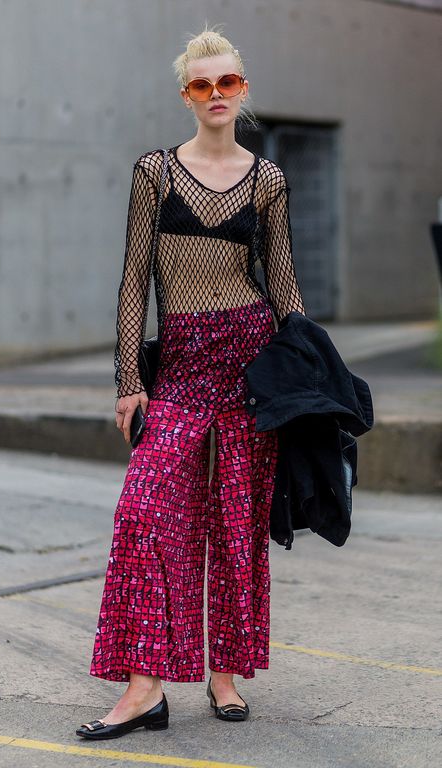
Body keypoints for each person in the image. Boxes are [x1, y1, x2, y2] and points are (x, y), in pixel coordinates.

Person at [76, 23, 305, 740]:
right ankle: (145, 688)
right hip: (178, 369)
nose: (215, 94)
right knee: (143, 514)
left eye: (227, 82)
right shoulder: (157, 172)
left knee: (234, 530)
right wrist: (126, 379)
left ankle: (225, 674)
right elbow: (133, 280)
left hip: (248, 360)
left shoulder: (267, 180)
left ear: (243, 90)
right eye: (202, 84)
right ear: (186, 94)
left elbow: (286, 286)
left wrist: (307, 378)